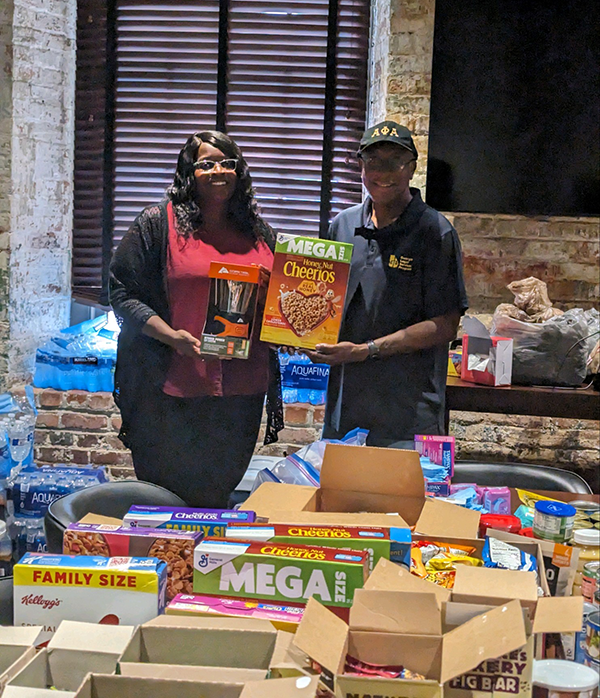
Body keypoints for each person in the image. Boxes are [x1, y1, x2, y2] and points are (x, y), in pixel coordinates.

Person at [109, 130, 283, 507]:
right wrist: (172, 336)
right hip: (171, 388)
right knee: (167, 501)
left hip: (241, 390)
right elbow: (122, 291)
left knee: (217, 495)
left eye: (227, 163)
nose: (218, 171)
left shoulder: (258, 231)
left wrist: (276, 293)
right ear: (189, 172)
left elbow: (281, 306)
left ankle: (206, 564)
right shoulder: (158, 223)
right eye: (207, 164)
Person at [305, 121, 468, 448]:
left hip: (408, 412)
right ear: (361, 166)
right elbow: (320, 298)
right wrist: (296, 331)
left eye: (395, 161)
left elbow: (445, 326)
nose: (383, 172)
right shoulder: (343, 224)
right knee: (342, 497)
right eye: (373, 161)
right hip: (345, 408)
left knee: (401, 499)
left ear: (411, 168)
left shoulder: (435, 232)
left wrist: (366, 351)